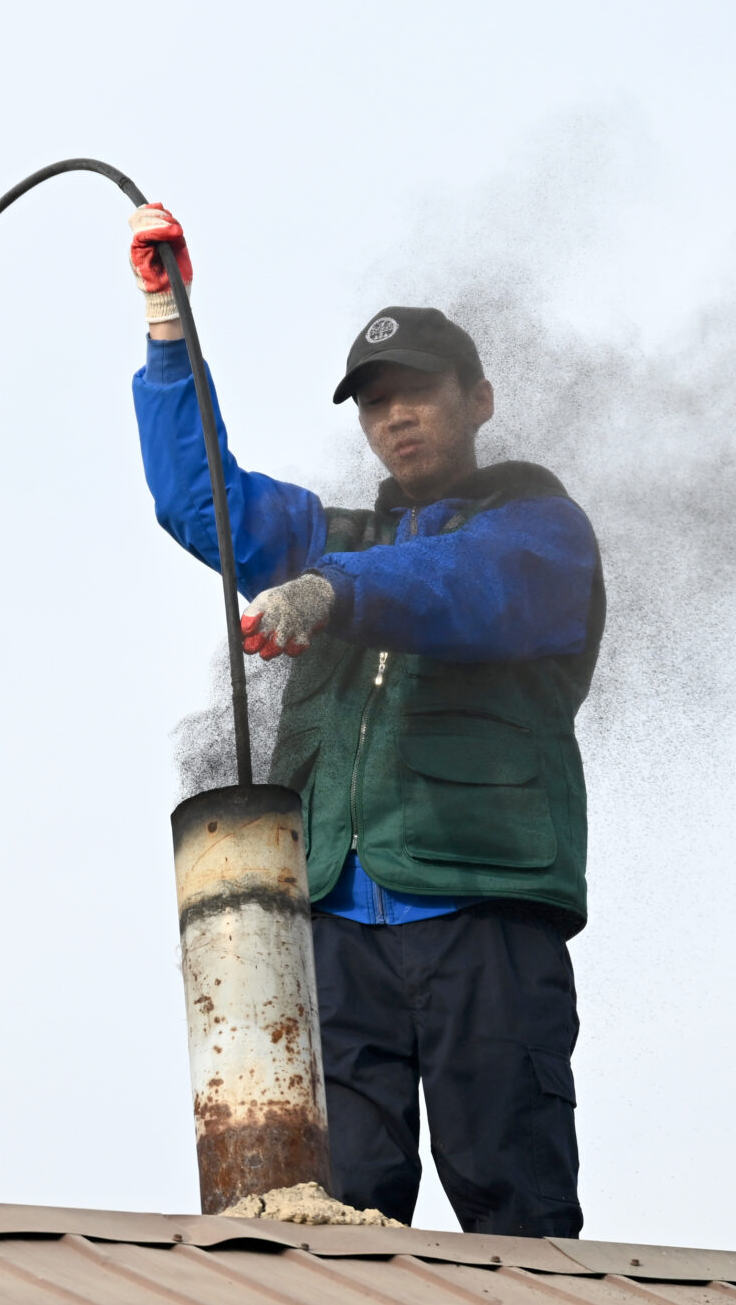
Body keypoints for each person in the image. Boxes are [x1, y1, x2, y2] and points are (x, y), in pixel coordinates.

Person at [125, 202, 603, 1236]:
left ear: (476, 400)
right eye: (375, 403)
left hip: (480, 910)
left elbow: (462, 583)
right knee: (327, 1220)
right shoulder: (334, 538)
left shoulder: (540, 531)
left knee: (514, 1210)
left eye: (419, 393)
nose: (396, 417)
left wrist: (332, 592)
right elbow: (201, 503)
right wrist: (168, 321)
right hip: (334, 922)